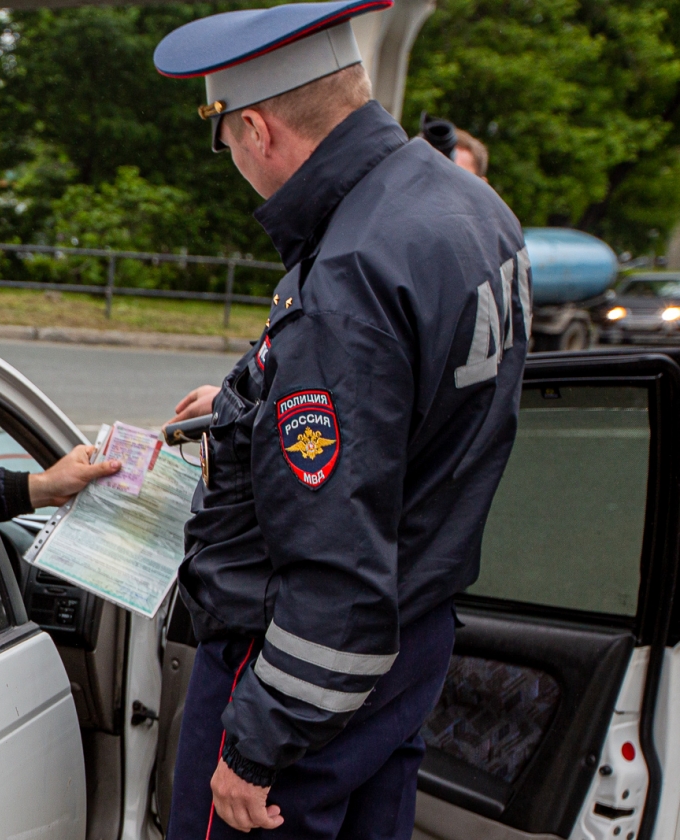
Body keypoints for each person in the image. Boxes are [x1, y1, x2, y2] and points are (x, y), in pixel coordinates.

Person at [154, 2, 528, 837]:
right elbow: (411, 413)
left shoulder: (349, 277)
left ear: (256, 128)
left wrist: (256, 744)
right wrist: (257, 402)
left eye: (225, 141)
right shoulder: (468, 208)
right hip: (408, 639)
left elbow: (335, 556)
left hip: (299, 670)